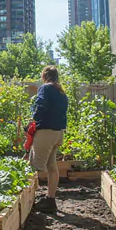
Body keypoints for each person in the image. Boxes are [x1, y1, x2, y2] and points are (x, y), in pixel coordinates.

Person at [30, 65, 69, 214]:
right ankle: (50, 199)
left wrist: (34, 118)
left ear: (44, 76)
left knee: (34, 166)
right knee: (52, 166)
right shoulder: (61, 91)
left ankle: (30, 199)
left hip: (46, 132)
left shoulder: (46, 88)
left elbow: (41, 105)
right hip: (58, 133)